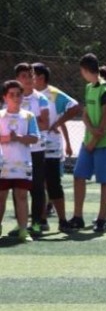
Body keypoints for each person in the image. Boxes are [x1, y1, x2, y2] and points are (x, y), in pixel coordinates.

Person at [69, 53, 106, 232]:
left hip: (105, 143)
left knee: (104, 180)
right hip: (89, 141)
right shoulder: (89, 87)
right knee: (78, 175)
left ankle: (101, 218)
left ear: (84, 70)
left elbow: (105, 122)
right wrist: (90, 132)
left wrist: (94, 140)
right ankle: (77, 217)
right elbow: (85, 114)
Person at [32, 62, 81, 233]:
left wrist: (58, 123)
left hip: (51, 146)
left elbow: (75, 106)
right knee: (37, 185)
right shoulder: (28, 95)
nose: (30, 78)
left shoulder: (53, 94)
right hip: (32, 146)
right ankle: (41, 220)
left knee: (53, 183)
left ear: (41, 77)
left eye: (32, 75)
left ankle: (62, 220)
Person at [0, 80, 40, 242]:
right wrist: (8, 138)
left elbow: (35, 137)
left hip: (22, 164)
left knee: (22, 196)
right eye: (12, 95)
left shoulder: (28, 116)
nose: (16, 98)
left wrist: (20, 138)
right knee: (1, 197)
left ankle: (23, 230)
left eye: (19, 94)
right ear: (4, 97)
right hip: (3, 166)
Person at [12, 63, 49, 236]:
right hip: (16, 151)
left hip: (36, 149)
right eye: (24, 76)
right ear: (17, 79)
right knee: (17, 186)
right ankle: (20, 224)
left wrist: (23, 130)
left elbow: (45, 123)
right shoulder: (12, 97)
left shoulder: (40, 98)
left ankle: (36, 223)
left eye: (30, 76)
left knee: (37, 187)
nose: (28, 79)